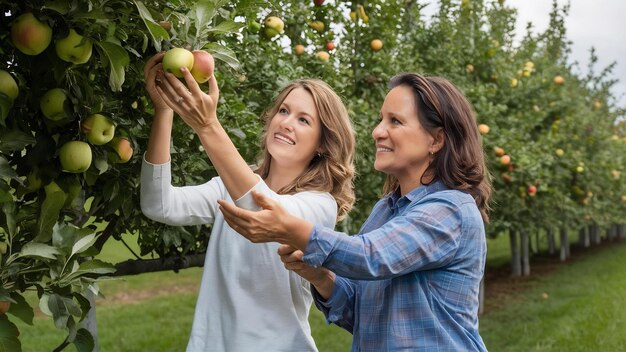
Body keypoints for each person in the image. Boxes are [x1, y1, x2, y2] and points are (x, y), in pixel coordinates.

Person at [218, 73, 493, 351]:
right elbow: (361, 312)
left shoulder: (451, 209)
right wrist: (320, 276)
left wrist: (291, 229)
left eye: (395, 121)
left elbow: (371, 256)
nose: (377, 131)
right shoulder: (386, 209)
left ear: (436, 140)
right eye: (381, 119)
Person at [140, 52, 356, 351]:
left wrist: (207, 126)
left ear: (322, 144)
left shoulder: (319, 205)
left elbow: (262, 209)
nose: (287, 123)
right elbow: (159, 204)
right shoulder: (229, 186)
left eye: (304, 119)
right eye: (283, 111)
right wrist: (165, 110)